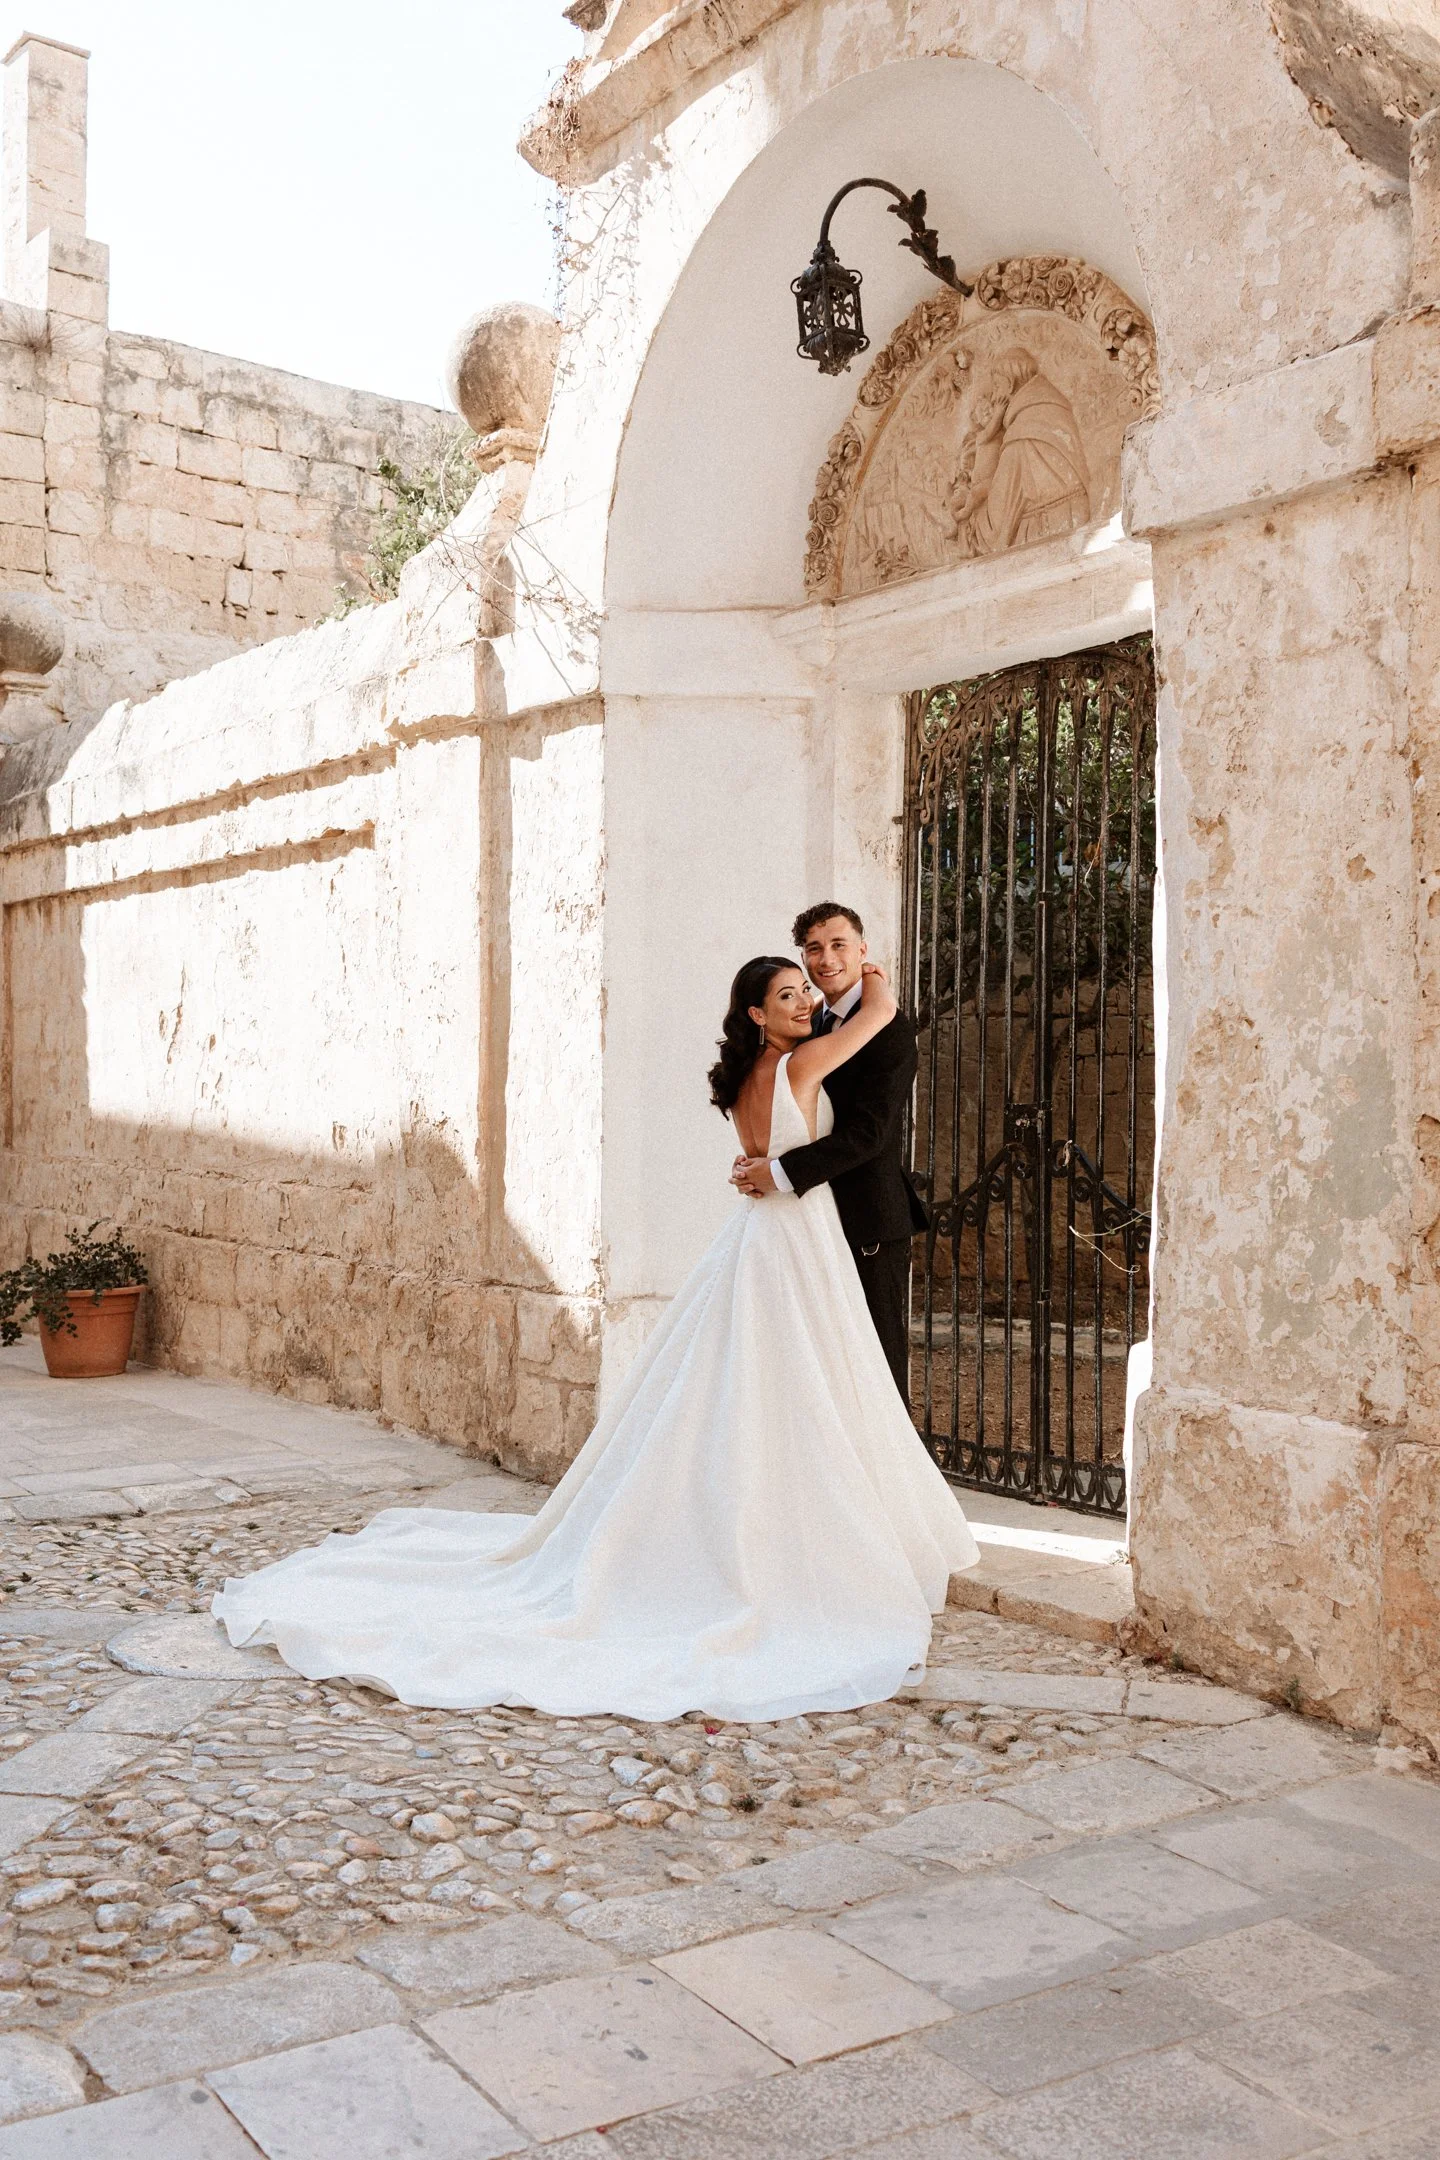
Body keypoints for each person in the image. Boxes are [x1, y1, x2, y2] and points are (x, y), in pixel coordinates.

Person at [212, 952, 977, 1721]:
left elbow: (769, 1148)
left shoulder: (742, 1084)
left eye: (807, 989)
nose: (808, 998)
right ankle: (805, 1546)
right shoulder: (805, 1063)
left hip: (758, 1237)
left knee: (758, 1378)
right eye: (789, 994)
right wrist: (867, 970)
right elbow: (877, 1017)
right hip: (800, 1242)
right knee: (811, 1376)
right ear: (757, 1015)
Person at [731, 904, 926, 1399]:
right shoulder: (810, 1022)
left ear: (862, 949)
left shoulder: (889, 1030)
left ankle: (886, 1476)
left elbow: (870, 1136)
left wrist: (778, 1169)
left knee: (875, 1368)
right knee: (820, 1368)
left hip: (867, 1220)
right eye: (814, 949)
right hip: (811, 1222)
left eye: (839, 945)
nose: (826, 958)